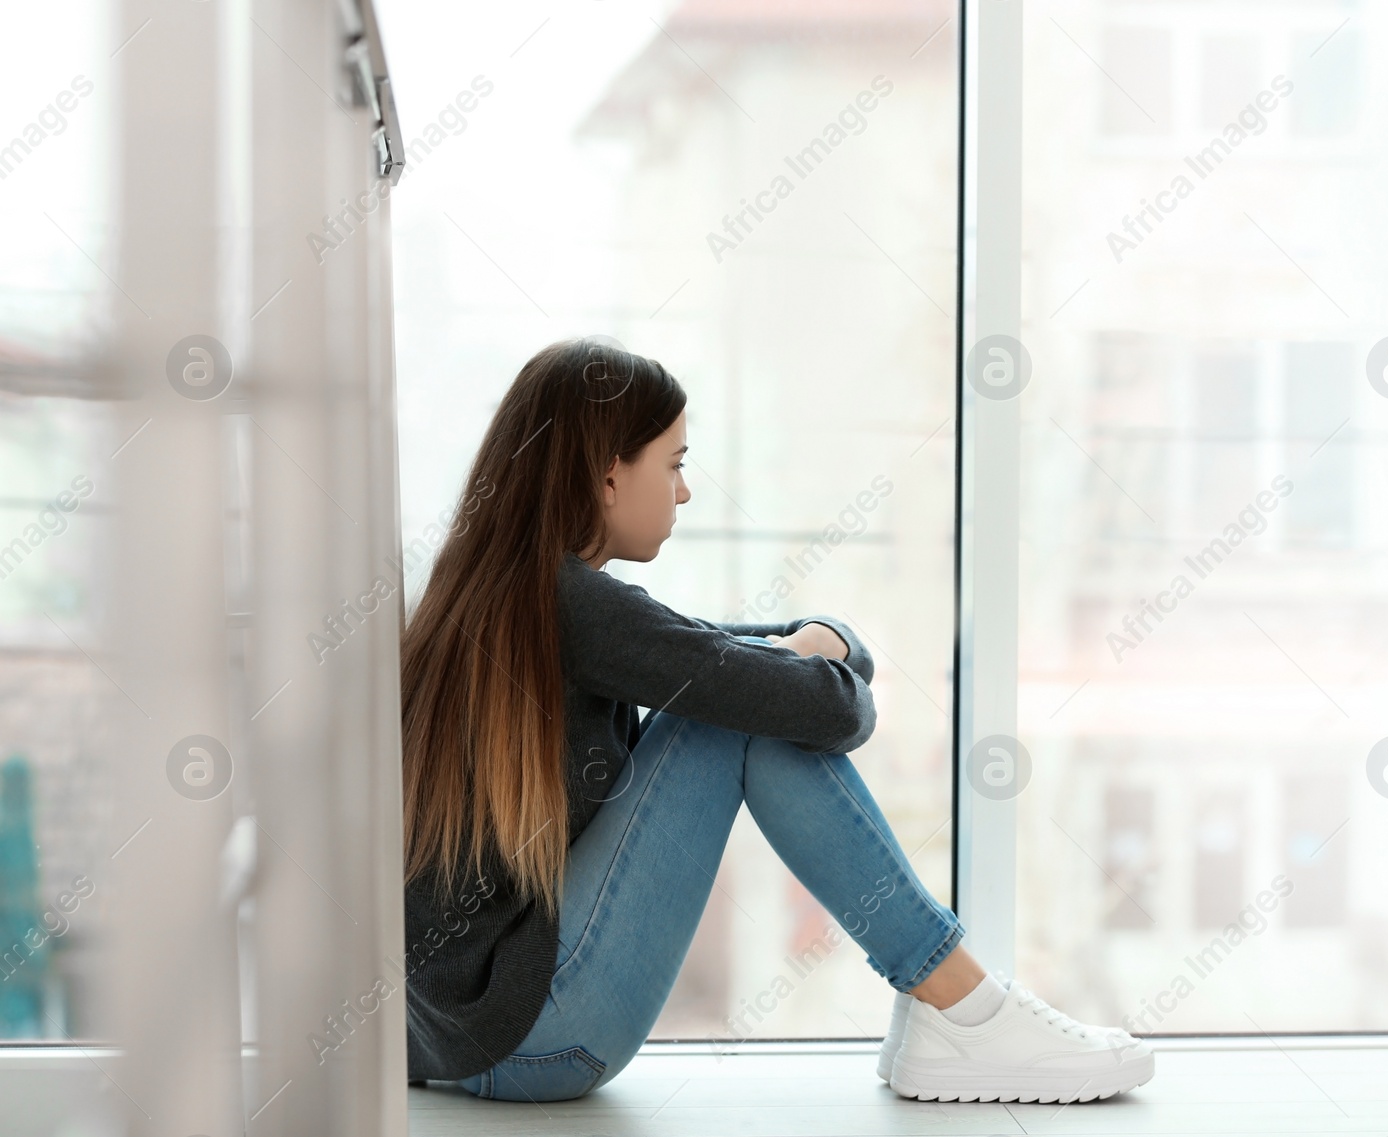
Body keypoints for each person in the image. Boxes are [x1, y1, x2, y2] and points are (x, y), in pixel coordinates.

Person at [399, 338, 1154, 1105]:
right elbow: (819, 707)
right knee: (734, 718)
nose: (686, 491)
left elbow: (725, 653)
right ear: (607, 474)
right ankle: (961, 1004)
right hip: (536, 1036)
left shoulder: (496, 591)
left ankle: (949, 1005)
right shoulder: (577, 607)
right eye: (674, 463)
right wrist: (825, 654)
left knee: (735, 699)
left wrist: (820, 645)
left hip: (465, 1040)